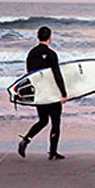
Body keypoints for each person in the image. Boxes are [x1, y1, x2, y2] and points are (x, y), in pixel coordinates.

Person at [17, 26, 68, 160]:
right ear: (50, 38)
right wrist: (63, 93)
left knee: (43, 120)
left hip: (39, 94)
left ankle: (26, 140)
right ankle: (52, 152)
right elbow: (57, 74)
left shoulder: (31, 53)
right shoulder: (51, 54)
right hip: (51, 93)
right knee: (55, 122)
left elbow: (30, 76)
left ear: (37, 36)